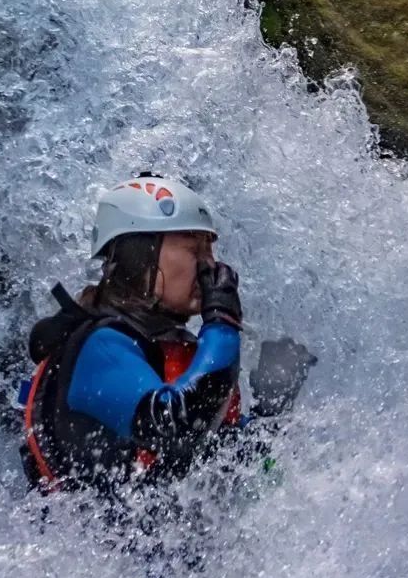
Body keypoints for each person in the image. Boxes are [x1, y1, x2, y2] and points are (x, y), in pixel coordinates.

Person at [21, 174, 317, 493]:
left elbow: (243, 475)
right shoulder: (100, 348)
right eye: (194, 250)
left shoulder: (168, 349)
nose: (211, 268)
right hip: (97, 542)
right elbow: (178, 426)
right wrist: (222, 322)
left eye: (210, 252)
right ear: (141, 256)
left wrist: (270, 409)